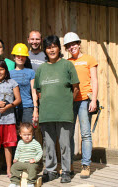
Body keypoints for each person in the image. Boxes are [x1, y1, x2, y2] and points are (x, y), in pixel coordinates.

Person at [34, 35, 80, 183]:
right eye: (48, 47)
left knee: (65, 144)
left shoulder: (67, 66)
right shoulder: (41, 68)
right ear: (45, 50)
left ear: (59, 48)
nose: (51, 49)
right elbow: (39, 91)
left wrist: (66, 103)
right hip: (47, 113)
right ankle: (51, 171)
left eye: (54, 46)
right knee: (49, 145)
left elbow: (76, 89)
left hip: (64, 113)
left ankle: (66, 171)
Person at [64, 32, 98, 179]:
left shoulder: (89, 59)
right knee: (69, 134)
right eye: (69, 45)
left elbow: (94, 80)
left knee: (85, 133)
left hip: (85, 100)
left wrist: (94, 100)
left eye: (74, 44)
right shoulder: (66, 62)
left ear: (79, 44)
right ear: (66, 48)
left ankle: (86, 165)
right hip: (71, 101)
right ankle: (69, 164)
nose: (72, 47)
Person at [9, 43, 39, 126]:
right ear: (14, 57)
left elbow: (34, 92)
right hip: (13, 108)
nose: (20, 58)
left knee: (28, 133)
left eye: (22, 56)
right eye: (18, 56)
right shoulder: (9, 73)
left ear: (26, 57)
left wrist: (35, 109)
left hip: (27, 108)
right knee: (15, 135)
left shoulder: (31, 72)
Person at [9, 122, 43, 187]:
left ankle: (30, 182)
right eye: (24, 135)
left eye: (29, 134)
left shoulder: (35, 143)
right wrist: (16, 158)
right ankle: (15, 182)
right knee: (14, 167)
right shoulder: (20, 142)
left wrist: (35, 160)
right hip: (21, 161)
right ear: (20, 134)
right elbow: (17, 151)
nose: (27, 137)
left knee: (32, 168)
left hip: (31, 163)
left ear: (32, 134)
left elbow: (40, 152)